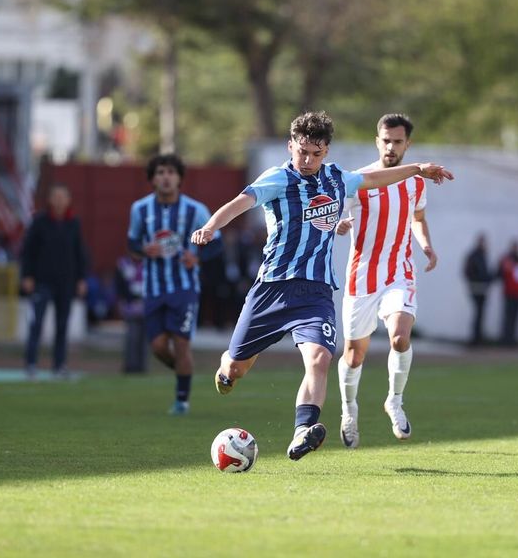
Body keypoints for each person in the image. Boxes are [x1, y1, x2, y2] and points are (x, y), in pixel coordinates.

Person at [190, 111, 453, 461]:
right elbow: (241, 203)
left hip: (316, 291)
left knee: (319, 358)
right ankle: (227, 366)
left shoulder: (337, 179)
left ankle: (302, 430)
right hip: (272, 288)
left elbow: (377, 179)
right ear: (291, 147)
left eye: (316, 153)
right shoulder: (278, 179)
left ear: (326, 152)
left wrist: (417, 169)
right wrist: (211, 226)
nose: (309, 160)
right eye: (302, 152)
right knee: (238, 367)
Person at [333, 113, 438, 449]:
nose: (391, 147)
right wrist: (339, 225)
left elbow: (417, 217)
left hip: (399, 273)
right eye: (385, 140)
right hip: (361, 277)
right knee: (353, 355)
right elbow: (332, 215)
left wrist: (426, 245)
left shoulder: (416, 182)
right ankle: (349, 410)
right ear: (377, 141)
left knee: (399, 338)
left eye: (397, 141)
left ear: (408, 144)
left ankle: (395, 400)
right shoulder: (359, 180)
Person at [127, 154, 221, 415]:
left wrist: (197, 256)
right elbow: (132, 244)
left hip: (184, 288)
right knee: (158, 346)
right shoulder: (140, 210)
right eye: (160, 173)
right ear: (152, 179)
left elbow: (218, 243)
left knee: (181, 343)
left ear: (179, 178)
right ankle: (184, 371)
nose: (165, 177)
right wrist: (145, 250)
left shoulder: (196, 210)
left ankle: (182, 400)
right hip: (153, 288)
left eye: (170, 172)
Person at [20, 183, 89, 379]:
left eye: (63, 197)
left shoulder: (73, 223)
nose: (59, 201)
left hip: (66, 283)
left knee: (62, 325)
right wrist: (27, 275)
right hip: (42, 281)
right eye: (56, 196)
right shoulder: (39, 222)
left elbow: (79, 253)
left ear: (69, 200)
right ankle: (31, 364)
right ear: (50, 200)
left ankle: (59, 365)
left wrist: (81, 279)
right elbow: (28, 252)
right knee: (37, 324)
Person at [114, 254, 147, 374]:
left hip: (145, 305)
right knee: (132, 337)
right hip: (130, 305)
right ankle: (130, 365)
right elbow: (119, 285)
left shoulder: (147, 265)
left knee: (144, 339)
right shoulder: (123, 265)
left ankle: (142, 366)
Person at [497, 239, 518, 345]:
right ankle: (505, 339)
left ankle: (512, 339)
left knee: (516, 317)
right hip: (508, 293)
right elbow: (499, 274)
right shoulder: (506, 259)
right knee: (507, 317)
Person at [463, 234, 492, 346]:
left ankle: (479, 337)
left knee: (480, 314)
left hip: (483, 288)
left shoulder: (483, 256)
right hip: (476, 288)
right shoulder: (474, 256)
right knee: (478, 313)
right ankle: (475, 338)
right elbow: (469, 272)